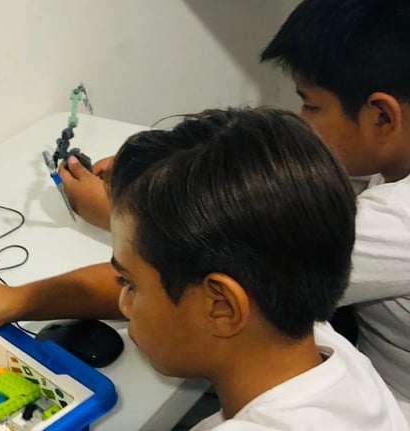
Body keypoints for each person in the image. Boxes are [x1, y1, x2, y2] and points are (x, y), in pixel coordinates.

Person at [0, 108, 408, 430]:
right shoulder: (319, 346)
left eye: (129, 284)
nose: (121, 300)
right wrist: (14, 300)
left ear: (222, 306)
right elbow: (173, 281)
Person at [60, 0, 410, 417]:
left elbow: (222, 255)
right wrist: (163, 177)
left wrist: (124, 210)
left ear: (382, 116)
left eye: (311, 105)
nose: (304, 119)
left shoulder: (396, 222)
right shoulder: (336, 354)